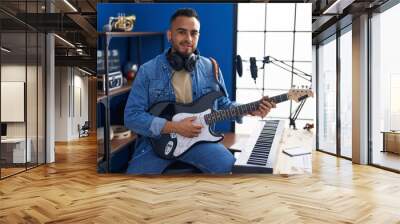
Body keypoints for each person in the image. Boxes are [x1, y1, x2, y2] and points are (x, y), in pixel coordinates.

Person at [124, 8, 275, 174]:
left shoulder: (211, 67)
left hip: (199, 142)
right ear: (170, 35)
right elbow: (132, 116)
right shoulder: (148, 70)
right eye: (181, 32)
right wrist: (174, 127)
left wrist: (249, 109)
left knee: (232, 171)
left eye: (194, 33)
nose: (188, 39)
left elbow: (222, 104)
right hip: (155, 145)